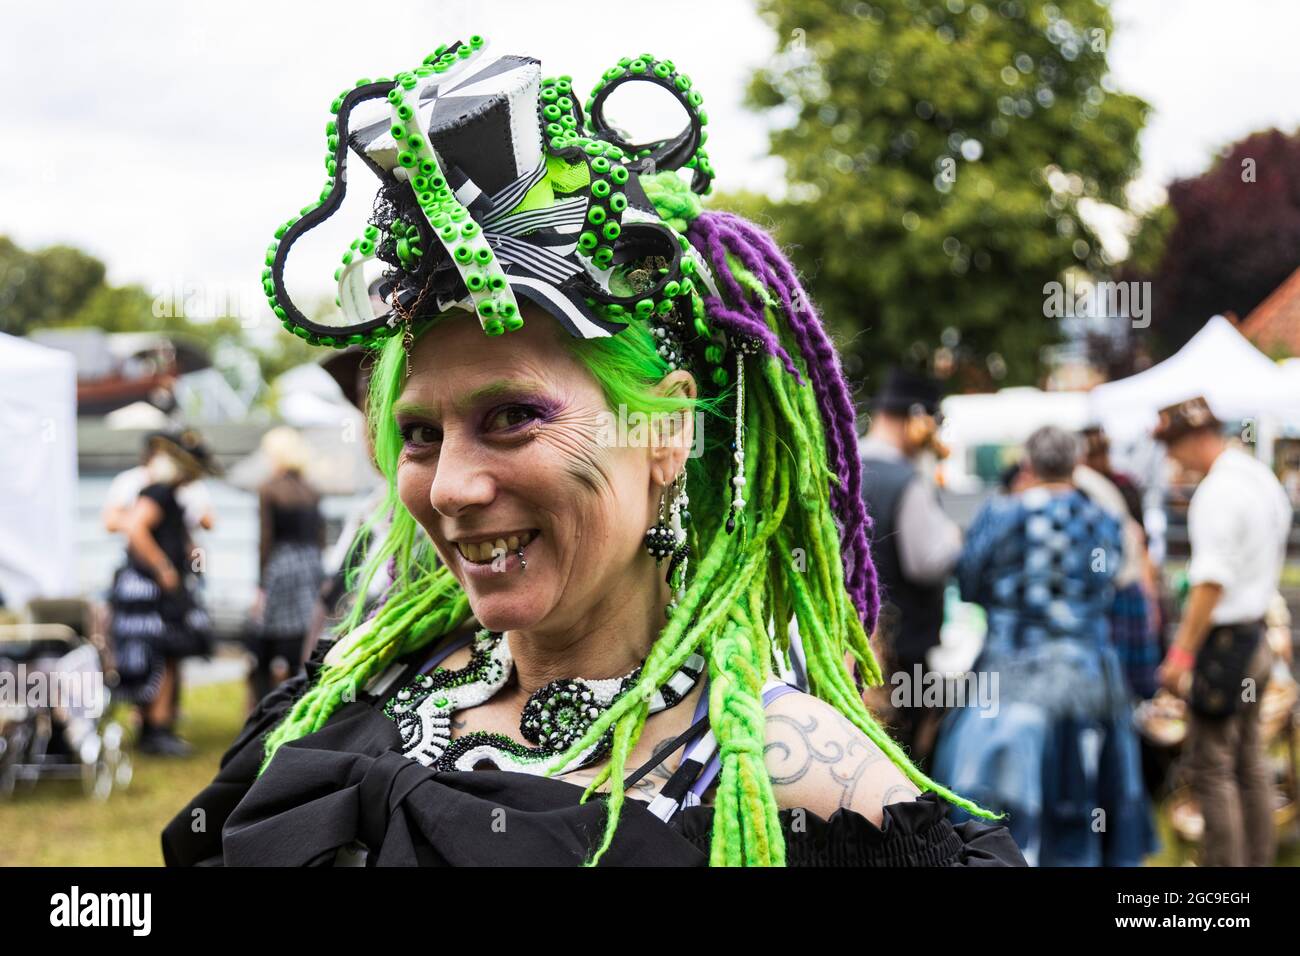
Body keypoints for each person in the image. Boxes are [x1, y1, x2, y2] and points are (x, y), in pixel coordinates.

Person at [162, 38, 1025, 867]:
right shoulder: (356, 688)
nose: (452, 487)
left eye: (512, 417)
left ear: (664, 431)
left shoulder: (796, 781)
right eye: (420, 432)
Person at [931, 426, 1157, 865]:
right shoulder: (1104, 520)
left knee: (993, 801)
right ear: (1077, 465)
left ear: (1028, 464)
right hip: (1088, 675)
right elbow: (1114, 583)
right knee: (1084, 791)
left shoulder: (1000, 514)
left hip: (1011, 674)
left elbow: (970, 582)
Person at [1154, 396, 1292, 867]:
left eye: (1174, 447)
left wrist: (1181, 655)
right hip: (1254, 636)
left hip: (1226, 644)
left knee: (1213, 768)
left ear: (1193, 438)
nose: (1173, 458)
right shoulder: (1258, 477)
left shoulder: (1217, 492)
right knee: (1250, 762)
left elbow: (1211, 583)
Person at [859, 368, 962, 765]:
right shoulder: (907, 481)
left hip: (848, 646)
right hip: (902, 654)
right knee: (907, 764)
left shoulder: (844, 467)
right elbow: (926, 564)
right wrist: (953, 539)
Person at [107, 429, 220, 756]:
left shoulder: (167, 494)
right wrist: (163, 568)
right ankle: (156, 729)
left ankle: (158, 727)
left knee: (161, 656)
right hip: (151, 592)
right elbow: (134, 528)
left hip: (153, 589)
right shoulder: (157, 493)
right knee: (162, 655)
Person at [248, 427, 326, 706]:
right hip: (310, 567)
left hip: (281, 568)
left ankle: (261, 705)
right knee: (303, 639)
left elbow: (265, 540)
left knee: (264, 641)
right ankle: (299, 701)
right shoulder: (312, 490)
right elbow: (320, 537)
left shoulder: (269, 489)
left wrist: (260, 586)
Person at [103, 431, 216, 535]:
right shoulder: (130, 480)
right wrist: (142, 521)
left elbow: (208, 522)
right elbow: (111, 522)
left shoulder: (189, 484)